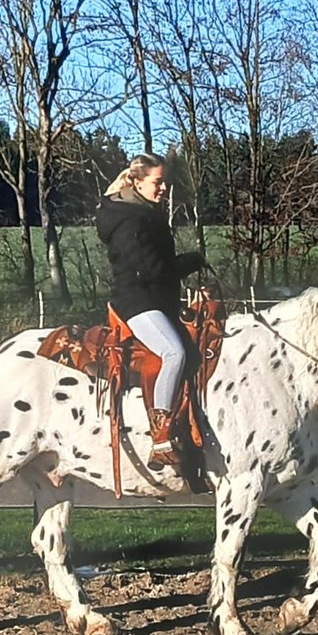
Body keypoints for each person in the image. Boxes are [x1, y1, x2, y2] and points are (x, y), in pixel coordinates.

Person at [95, 153, 205, 468]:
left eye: (166, 182)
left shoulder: (145, 212)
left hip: (157, 300)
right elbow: (150, 270)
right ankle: (161, 437)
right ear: (137, 181)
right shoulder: (129, 220)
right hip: (138, 304)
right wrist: (189, 261)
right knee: (174, 353)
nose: (164, 188)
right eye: (158, 182)